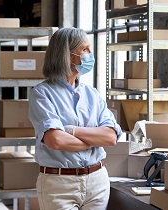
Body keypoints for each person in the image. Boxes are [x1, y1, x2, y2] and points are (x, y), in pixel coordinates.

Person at [28, 27, 122, 210]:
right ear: (67, 55)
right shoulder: (42, 93)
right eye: (84, 49)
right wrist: (91, 141)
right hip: (59, 183)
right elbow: (55, 140)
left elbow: (110, 137)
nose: (90, 54)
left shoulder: (92, 94)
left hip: (97, 181)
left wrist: (71, 130)